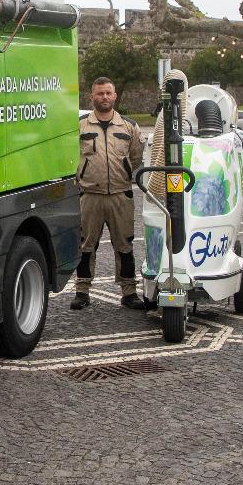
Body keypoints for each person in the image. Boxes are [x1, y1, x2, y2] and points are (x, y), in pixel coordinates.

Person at [71, 77, 146, 311]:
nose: (104, 97)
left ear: (115, 96)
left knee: (124, 245)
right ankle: (82, 291)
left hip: (120, 195)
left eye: (108, 93)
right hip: (89, 195)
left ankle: (129, 291)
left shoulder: (128, 126)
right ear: (92, 97)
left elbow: (136, 159)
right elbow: (70, 158)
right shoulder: (80, 126)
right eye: (100, 93)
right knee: (85, 245)